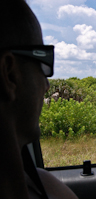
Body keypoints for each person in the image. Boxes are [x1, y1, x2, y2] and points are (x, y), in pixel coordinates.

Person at [0, 0, 78, 198]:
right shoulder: (45, 188)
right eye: (43, 61)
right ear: (9, 73)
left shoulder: (39, 182)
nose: (46, 84)